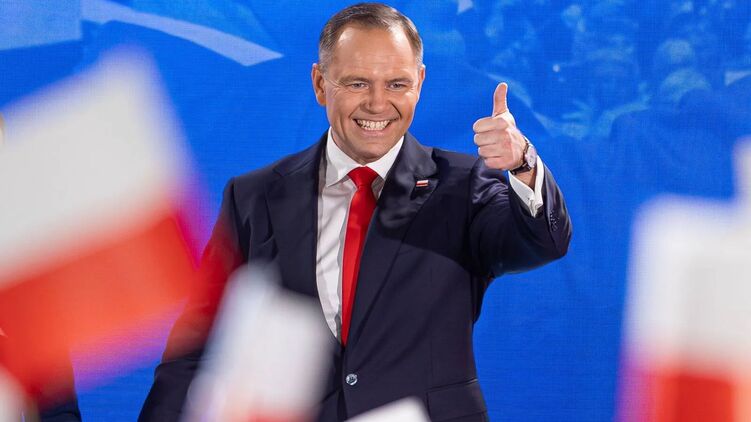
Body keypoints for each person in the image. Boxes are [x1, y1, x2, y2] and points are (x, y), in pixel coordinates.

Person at [140, 3, 571, 421]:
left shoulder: (463, 187)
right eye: (358, 83)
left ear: (420, 82)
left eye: (397, 84)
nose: (378, 104)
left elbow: (543, 242)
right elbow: (197, 347)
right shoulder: (254, 196)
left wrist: (523, 162)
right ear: (320, 83)